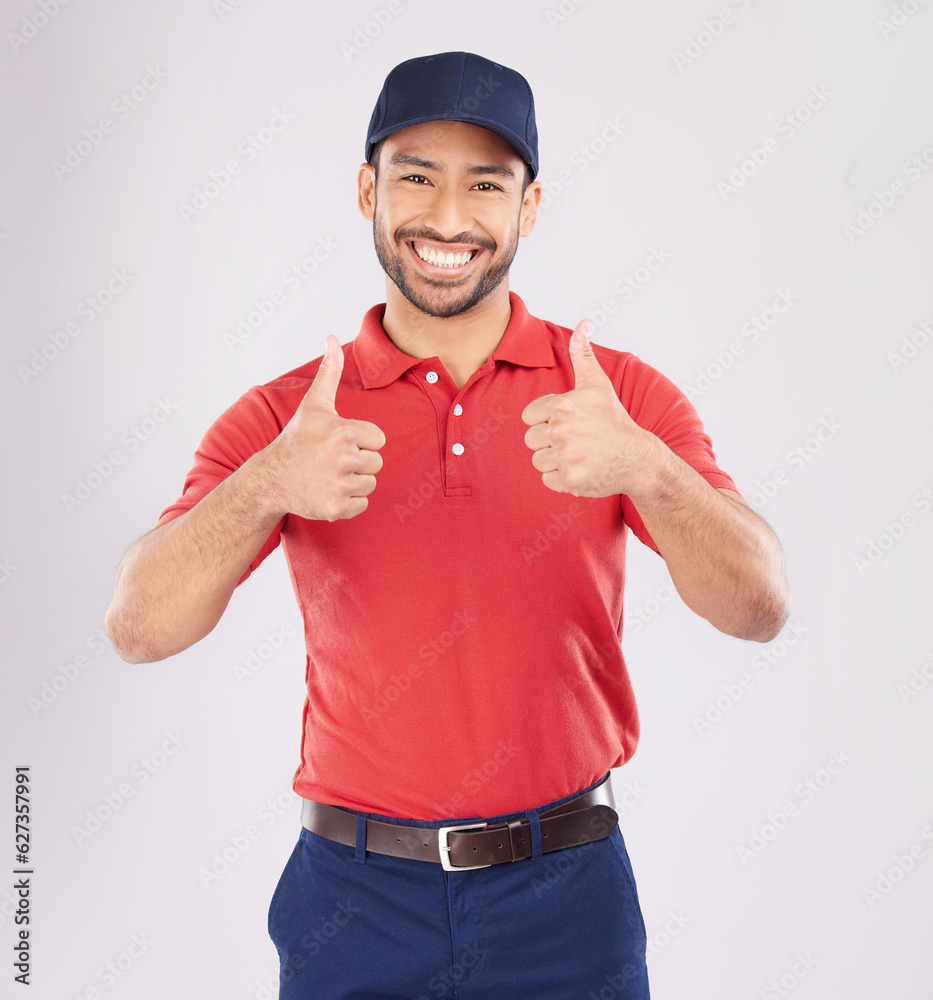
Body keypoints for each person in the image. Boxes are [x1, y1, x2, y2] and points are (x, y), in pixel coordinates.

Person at [105, 50, 791, 999]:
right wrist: (267, 483)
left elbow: (759, 606)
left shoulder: (614, 399)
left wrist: (643, 466)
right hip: (352, 902)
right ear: (366, 191)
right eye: (416, 177)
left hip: (567, 895)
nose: (448, 219)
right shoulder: (290, 416)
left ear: (530, 207)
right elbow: (137, 628)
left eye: (485, 184)